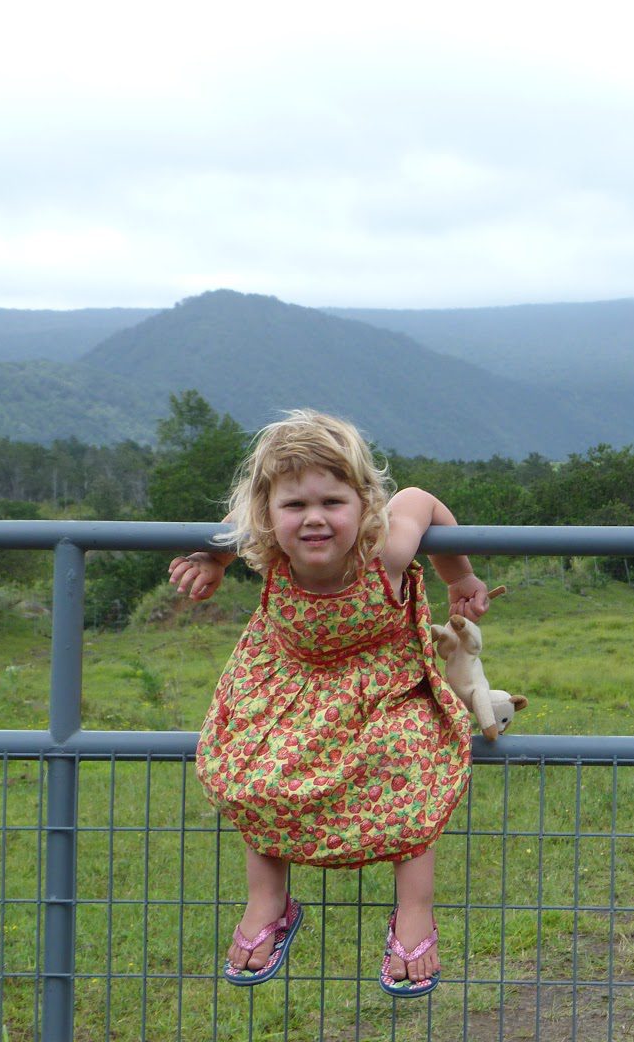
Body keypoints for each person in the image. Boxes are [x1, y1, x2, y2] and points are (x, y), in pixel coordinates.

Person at [169, 409, 490, 998]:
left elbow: (422, 498)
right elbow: (236, 522)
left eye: (333, 502)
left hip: (383, 688)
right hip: (287, 685)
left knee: (408, 757)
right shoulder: (268, 551)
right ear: (268, 515)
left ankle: (414, 910)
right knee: (249, 767)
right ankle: (269, 901)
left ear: (366, 506)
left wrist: (459, 577)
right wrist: (211, 557)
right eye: (294, 506)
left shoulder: (386, 552)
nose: (314, 518)